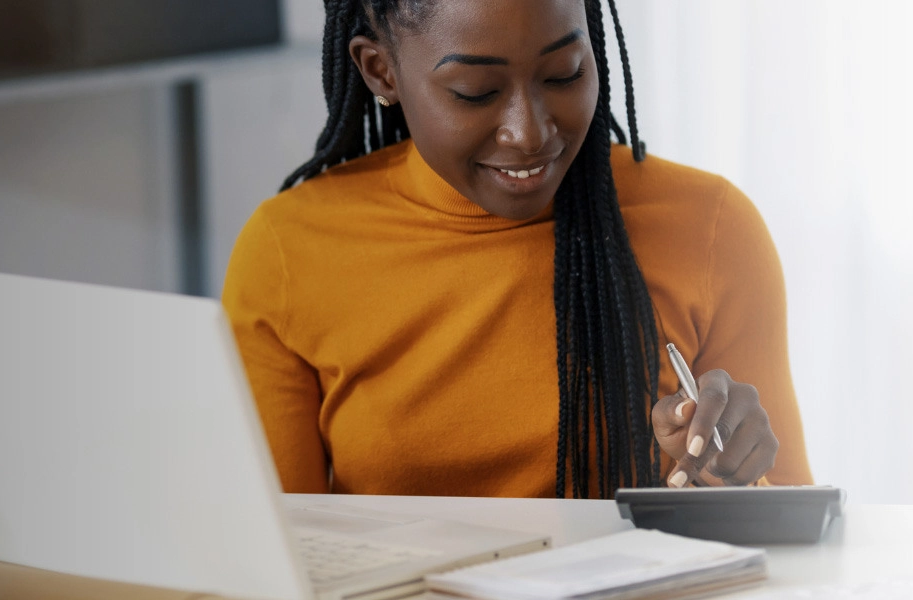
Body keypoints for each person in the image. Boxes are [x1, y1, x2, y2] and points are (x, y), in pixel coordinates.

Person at [222, 0, 813, 499]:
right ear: (381, 72)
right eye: (475, 92)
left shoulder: (708, 228)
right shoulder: (289, 253)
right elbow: (265, 557)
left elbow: (791, 549)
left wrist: (727, 482)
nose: (528, 134)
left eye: (563, 74)